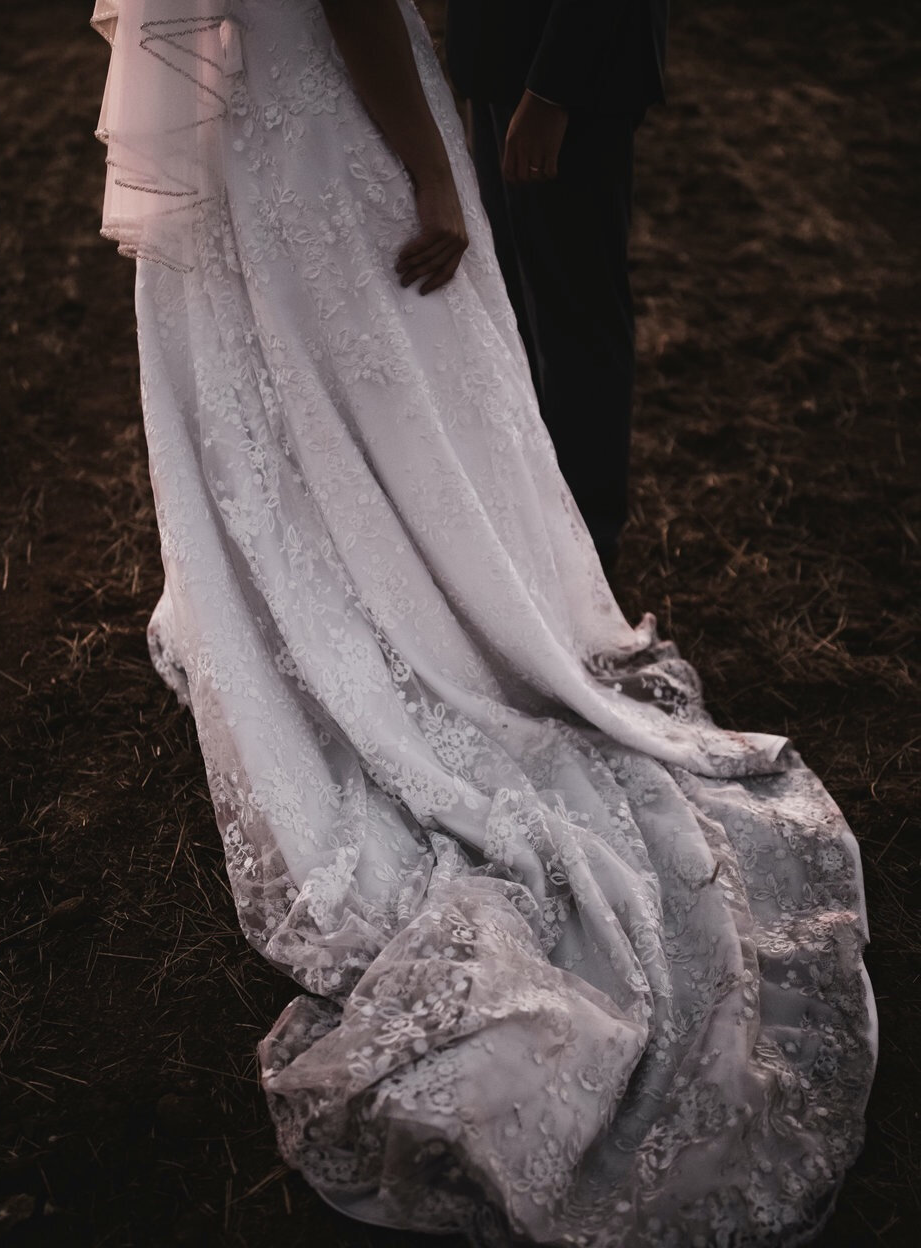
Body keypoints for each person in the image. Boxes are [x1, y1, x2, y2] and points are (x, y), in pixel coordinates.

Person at [91, 2, 876, 1245]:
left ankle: (316, 590)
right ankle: (441, 599)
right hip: (338, 126)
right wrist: (426, 178)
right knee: (396, 390)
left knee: (291, 395)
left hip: (242, 132)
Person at [444, 1, 670, 570]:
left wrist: (553, 89)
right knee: (520, 301)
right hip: (501, 63)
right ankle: (541, 515)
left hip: (564, 76)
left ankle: (587, 541)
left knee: (574, 310)